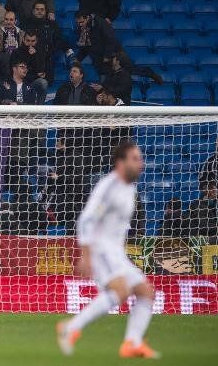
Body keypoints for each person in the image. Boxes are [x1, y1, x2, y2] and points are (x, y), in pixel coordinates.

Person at [57, 142, 160, 359]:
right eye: (135, 159)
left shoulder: (129, 189)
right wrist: (86, 255)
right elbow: (86, 220)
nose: (141, 164)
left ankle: (132, 343)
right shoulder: (108, 186)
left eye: (140, 158)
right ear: (121, 162)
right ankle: (71, 327)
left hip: (116, 252)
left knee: (145, 292)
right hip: (101, 249)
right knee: (120, 291)